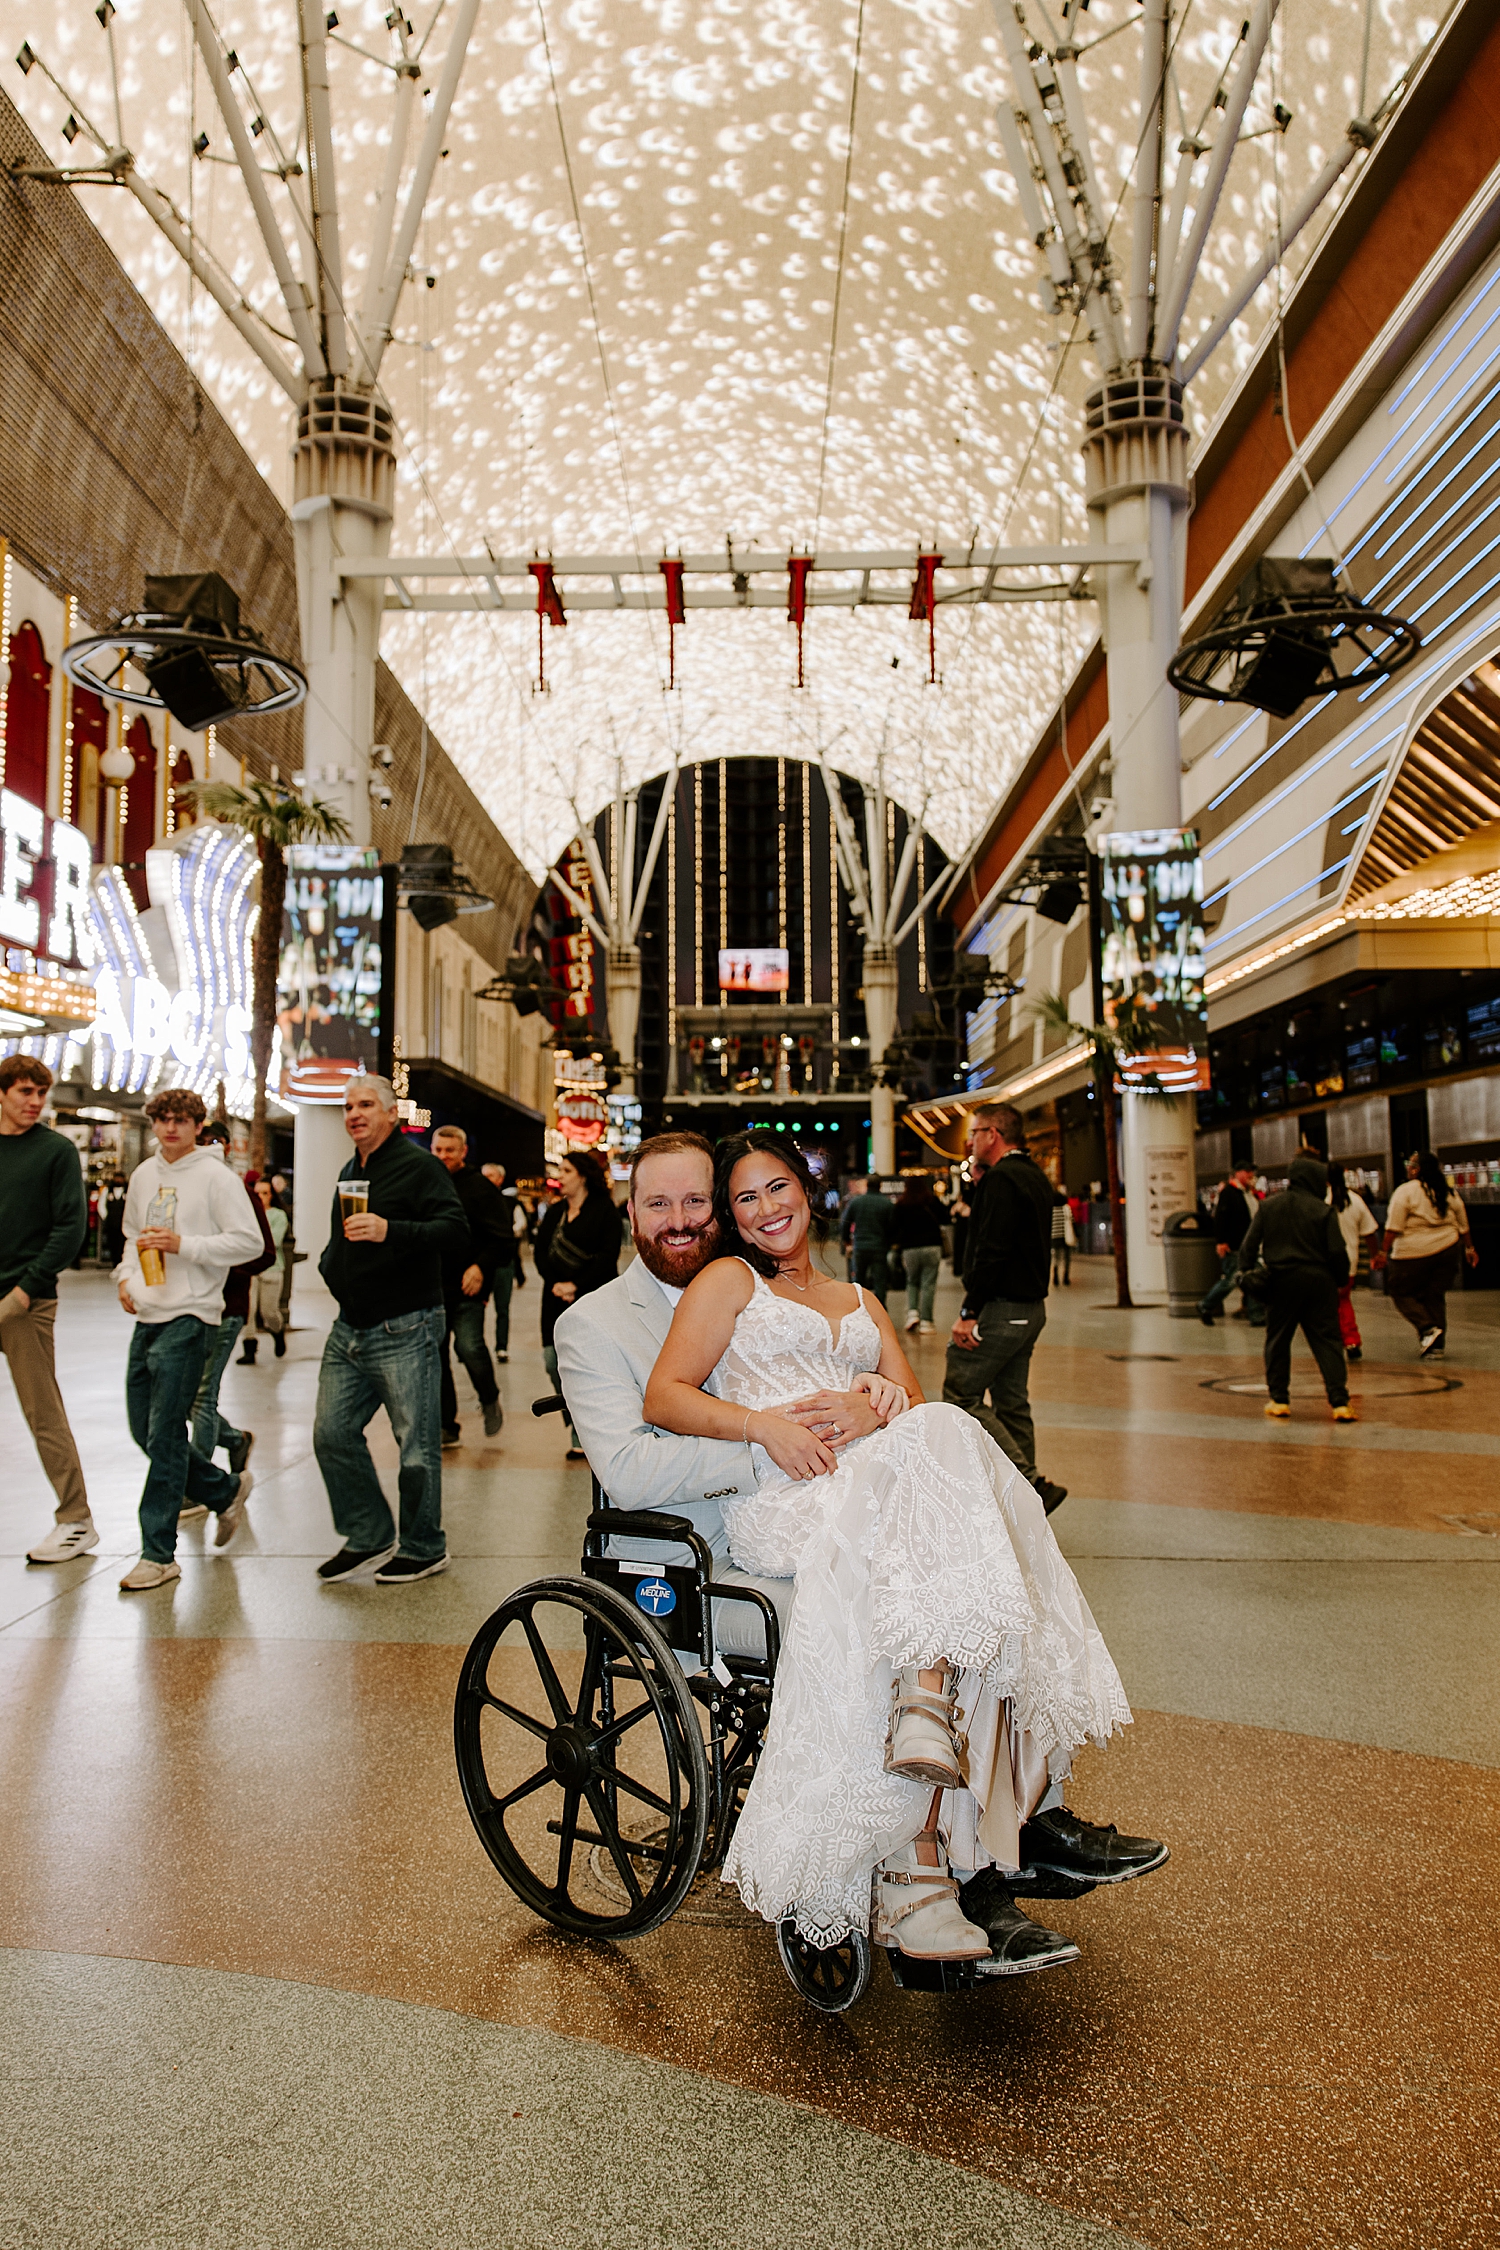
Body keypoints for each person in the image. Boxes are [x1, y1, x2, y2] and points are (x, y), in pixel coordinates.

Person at [642, 1132, 1164, 1969]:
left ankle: (938, 1723)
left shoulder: (860, 1296)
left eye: (778, 1188)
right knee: (954, 1458)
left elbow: (917, 1407)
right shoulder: (727, 1283)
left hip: (880, 1492)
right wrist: (764, 1425)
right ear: (733, 1220)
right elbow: (664, 1394)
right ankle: (949, 1758)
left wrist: (880, 1403)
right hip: (791, 1497)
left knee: (945, 1426)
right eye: (745, 1200)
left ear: (808, 1192)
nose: (767, 1209)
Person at [313, 1074, 468, 1584]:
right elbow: (341, 1239)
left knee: (417, 1447)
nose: (354, 1114)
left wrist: (390, 1230)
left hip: (407, 1326)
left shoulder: (419, 1167)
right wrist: (329, 1270)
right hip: (349, 1328)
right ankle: (369, 1533)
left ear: (390, 1113)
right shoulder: (349, 1170)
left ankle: (424, 1545)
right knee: (331, 1434)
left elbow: (454, 1231)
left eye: (365, 1105)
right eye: (347, 1106)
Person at [114, 1087, 264, 1591]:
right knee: (146, 1431)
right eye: (163, 1120)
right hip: (148, 1312)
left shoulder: (216, 1177)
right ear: (153, 1124)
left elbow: (249, 1241)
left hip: (192, 1315)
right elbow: (132, 1236)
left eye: (181, 1120)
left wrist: (185, 1245)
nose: (171, 1128)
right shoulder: (142, 1175)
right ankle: (224, 1490)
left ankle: (158, 1553)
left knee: (164, 1436)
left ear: (198, 1125)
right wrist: (123, 1279)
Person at [942, 1104, 1067, 1515]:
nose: (970, 1140)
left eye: (975, 1132)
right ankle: (1025, 1499)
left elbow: (991, 1250)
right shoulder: (1033, 1176)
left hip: (1001, 1308)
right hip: (1031, 1309)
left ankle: (1030, 1484)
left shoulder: (1002, 1179)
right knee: (1012, 1400)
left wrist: (969, 1310)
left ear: (993, 1134)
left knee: (961, 1392)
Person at [2, 1057, 94, 1566]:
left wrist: (24, 1291)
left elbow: (69, 1228)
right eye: (24, 1091)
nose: (34, 1101)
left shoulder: (56, 1151)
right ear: (2, 1093)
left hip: (26, 1304)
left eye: (41, 1092)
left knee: (43, 1414)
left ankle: (76, 1520)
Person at [184, 1127, 275, 1499]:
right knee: (188, 1398)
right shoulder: (188, 1192)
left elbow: (265, 1253)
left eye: (212, 1144)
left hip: (226, 1308)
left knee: (203, 1396)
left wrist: (224, 1266)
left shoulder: (241, 1194)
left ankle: (199, 1484)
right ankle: (235, 1440)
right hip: (186, 1307)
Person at [1238, 1153, 1354, 1422]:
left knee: (1278, 1339)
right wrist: (1338, 1280)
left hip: (1281, 1280)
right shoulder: (1323, 1210)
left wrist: (1245, 1274)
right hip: (1319, 1281)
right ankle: (1340, 1403)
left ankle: (1279, 1400)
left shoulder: (1269, 1207)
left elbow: (1249, 1246)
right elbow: (1337, 1252)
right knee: (1327, 1341)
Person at [534, 1149, 621, 1460]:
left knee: (589, 1364)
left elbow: (607, 1255)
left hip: (591, 1298)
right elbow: (540, 1252)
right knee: (551, 1361)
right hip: (554, 1299)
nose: (561, 1176)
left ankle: (582, 1431)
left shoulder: (603, 1211)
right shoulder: (555, 1212)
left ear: (582, 1176)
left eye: (566, 1170)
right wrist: (557, 1284)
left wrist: (577, 1285)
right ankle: (574, 1417)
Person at [430, 1124, 507, 1444]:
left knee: (469, 1346)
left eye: (450, 1150)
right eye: (438, 1150)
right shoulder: (426, 1182)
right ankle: (446, 1424)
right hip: (431, 1287)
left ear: (463, 1152)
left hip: (467, 1286)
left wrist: (480, 1268)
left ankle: (489, 1397)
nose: (443, 1156)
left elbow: (502, 1240)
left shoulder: (480, 1188)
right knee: (435, 1356)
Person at [1373, 1150, 1477, 1360]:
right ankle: (1436, 1346)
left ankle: (1427, 1328)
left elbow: (1393, 1227)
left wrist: (1383, 1252)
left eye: (1411, 1164)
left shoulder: (1406, 1192)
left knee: (1399, 1289)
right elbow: (1463, 1225)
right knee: (1434, 1295)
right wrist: (1469, 1249)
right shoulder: (1447, 1191)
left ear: (1417, 1169)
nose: (1408, 1168)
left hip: (1413, 1253)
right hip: (1448, 1249)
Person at [1198, 1161, 1262, 1326]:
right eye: (1247, 1172)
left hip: (1248, 1246)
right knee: (1231, 1280)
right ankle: (1205, 1305)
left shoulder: (1248, 1193)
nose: (1250, 1175)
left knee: (1254, 1278)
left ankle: (1256, 1314)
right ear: (1238, 1173)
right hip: (1234, 1246)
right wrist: (1221, 1241)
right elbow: (1220, 1218)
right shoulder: (1229, 1193)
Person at [1326, 1162, 1378, 1361]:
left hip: (1325, 1261)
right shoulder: (1355, 1200)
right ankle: (1351, 1340)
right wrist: (1376, 1256)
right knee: (1344, 1300)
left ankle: (1333, 1341)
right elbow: (1369, 1231)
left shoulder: (1320, 1199)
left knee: (1326, 1304)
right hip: (1349, 1262)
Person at [479, 1161, 526, 1362]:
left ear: (499, 1179)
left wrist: (503, 1235)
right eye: (484, 1175)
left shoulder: (510, 1203)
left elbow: (520, 1224)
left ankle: (501, 1346)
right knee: (476, 1306)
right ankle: (476, 1346)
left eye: (490, 1175)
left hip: (503, 1263)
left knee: (502, 1307)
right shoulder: (475, 1202)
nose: (486, 1180)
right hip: (480, 1264)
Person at [889, 1173, 945, 1333]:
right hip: (932, 1247)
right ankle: (927, 1321)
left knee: (912, 1281)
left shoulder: (901, 1205)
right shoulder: (931, 1201)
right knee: (928, 1284)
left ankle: (913, 1313)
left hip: (910, 1248)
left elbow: (894, 1227)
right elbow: (945, 1218)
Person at [839, 1174, 893, 1303]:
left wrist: (846, 1240)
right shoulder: (887, 1203)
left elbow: (845, 1222)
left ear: (867, 1185)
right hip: (879, 1247)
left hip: (860, 1246)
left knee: (858, 1280)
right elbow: (893, 1226)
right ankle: (880, 1308)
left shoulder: (857, 1202)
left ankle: (860, 1307)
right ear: (880, 1185)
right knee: (880, 1280)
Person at [1049, 1187, 1075, 1287]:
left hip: (1054, 1237)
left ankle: (1055, 1276)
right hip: (1065, 1237)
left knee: (1056, 1257)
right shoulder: (1066, 1209)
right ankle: (1065, 1277)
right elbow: (1072, 1222)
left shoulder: (1051, 1210)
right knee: (1066, 1257)